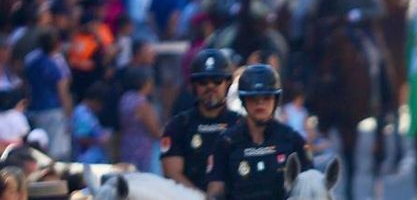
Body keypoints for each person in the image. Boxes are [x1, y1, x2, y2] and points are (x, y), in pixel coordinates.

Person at [208, 64, 310, 200]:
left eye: (266, 97)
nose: (260, 103)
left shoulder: (292, 140)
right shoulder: (226, 142)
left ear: (276, 100)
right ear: (243, 101)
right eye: (253, 98)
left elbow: (311, 186)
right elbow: (215, 192)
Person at [313, 0, 393, 108]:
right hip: (335, 30)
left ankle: (377, 101)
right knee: (319, 56)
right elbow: (321, 13)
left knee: (374, 59)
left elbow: (379, 10)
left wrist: (358, 14)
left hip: (361, 31)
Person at [162, 49, 240, 191]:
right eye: (203, 82)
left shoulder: (241, 124)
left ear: (227, 83)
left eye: (217, 81)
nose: (210, 87)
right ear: (194, 85)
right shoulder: (178, 126)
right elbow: (172, 173)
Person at [22, 32, 70, 161]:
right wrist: (67, 112)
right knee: (54, 149)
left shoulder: (31, 61)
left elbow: (26, 85)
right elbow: (62, 90)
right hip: (52, 111)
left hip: (33, 109)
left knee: (38, 147)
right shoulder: (56, 63)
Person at [117, 67, 162, 174]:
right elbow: (155, 131)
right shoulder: (141, 102)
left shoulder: (125, 98)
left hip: (127, 144)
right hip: (142, 148)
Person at [69, 84, 112, 165]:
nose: (100, 108)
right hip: (86, 161)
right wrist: (100, 140)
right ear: (95, 101)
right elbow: (81, 137)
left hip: (95, 160)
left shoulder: (89, 113)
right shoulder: (82, 114)